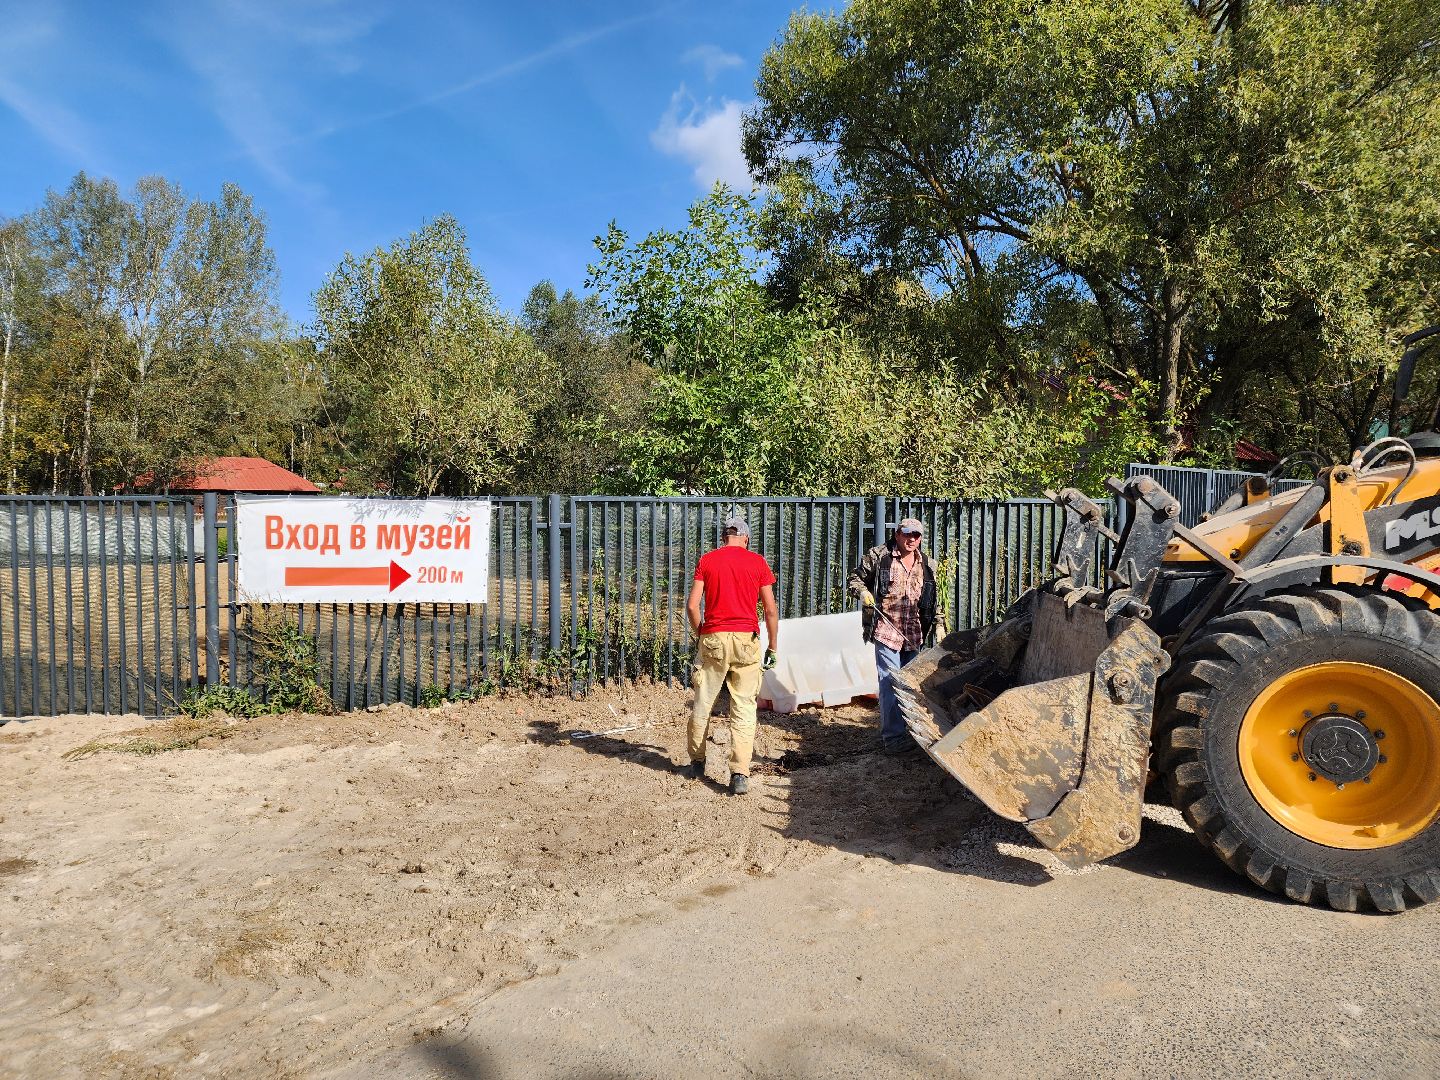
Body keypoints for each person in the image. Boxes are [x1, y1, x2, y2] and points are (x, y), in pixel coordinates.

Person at [683, 513, 779, 795]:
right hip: (746, 641)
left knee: (703, 701)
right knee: (744, 707)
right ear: (746, 539)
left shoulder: (707, 560)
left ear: (723, 538)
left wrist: (703, 633)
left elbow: (691, 606)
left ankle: (697, 763)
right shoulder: (757, 562)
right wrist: (773, 646)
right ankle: (739, 773)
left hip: (713, 637)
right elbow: (770, 610)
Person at [849, 517, 940, 754]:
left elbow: (932, 598)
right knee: (890, 682)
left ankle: (912, 733)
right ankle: (893, 737)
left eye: (916, 535)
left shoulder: (928, 564)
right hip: (886, 628)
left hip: (914, 632)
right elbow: (854, 579)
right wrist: (863, 593)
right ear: (898, 534)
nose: (912, 539)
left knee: (910, 684)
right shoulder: (879, 556)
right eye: (907, 534)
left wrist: (939, 623)